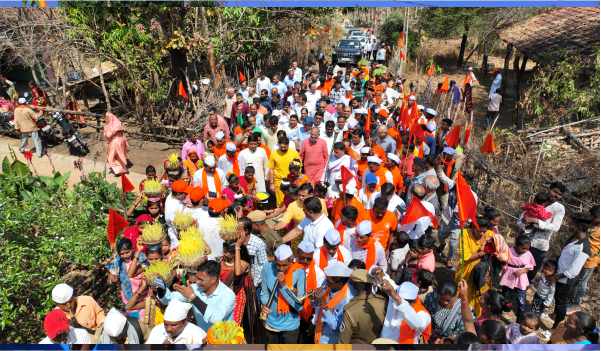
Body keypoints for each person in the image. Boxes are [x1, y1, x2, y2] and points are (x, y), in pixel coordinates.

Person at [158, 260, 236, 332]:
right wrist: (160, 287)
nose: (197, 282)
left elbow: (216, 319)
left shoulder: (228, 295)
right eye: (197, 278)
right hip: (202, 338)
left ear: (213, 279)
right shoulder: (195, 288)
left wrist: (193, 298)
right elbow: (168, 299)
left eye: (201, 279)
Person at [260, 244, 306, 344]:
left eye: (284, 265)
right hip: (271, 322)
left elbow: (299, 305)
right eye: (278, 265)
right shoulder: (267, 267)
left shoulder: (299, 272)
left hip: (290, 325)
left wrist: (283, 285)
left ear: (291, 260)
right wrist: (264, 305)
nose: (281, 268)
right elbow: (264, 292)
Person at [519, 181, 566, 278]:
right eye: (555, 191)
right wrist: (523, 223)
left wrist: (537, 221)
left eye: (559, 194)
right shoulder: (539, 198)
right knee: (516, 266)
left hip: (539, 245)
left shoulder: (559, 208)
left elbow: (555, 227)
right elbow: (522, 217)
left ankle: (521, 292)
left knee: (529, 273)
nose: (556, 195)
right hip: (523, 240)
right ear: (549, 189)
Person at [553, 222, 590, 328]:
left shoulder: (584, 248)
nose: (570, 227)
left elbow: (574, 269)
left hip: (566, 280)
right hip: (560, 275)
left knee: (561, 302)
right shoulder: (575, 240)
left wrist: (557, 276)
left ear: (580, 228)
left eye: (573, 226)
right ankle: (556, 316)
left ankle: (557, 325)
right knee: (558, 298)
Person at [339, 269, 387, 344]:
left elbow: (342, 342)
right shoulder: (383, 302)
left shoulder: (350, 310)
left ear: (356, 286)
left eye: (351, 284)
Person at [312, 261, 354, 344]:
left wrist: (323, 304)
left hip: (330, 341)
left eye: (329, 281)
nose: (326, 283)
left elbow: (336, 325)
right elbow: (316, 306)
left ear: (340, 282)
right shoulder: (329, 286)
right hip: (319, 333)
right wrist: (316, 300)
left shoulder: (348, 299)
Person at [499, 235, 535, 320]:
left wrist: (523, 271)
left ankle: (520, 317)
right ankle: (503, 310)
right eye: (523, 248)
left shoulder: (528, 254)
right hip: (509, 277)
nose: (525, 250)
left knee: (521, 299)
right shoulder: (509, 250)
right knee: (506, 295)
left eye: (527, 248)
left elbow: (530, 266)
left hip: (521, 279)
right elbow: (503, 261)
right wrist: (504, 265)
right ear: (516, 245)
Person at [574, 205, 599, 304]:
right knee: (577, 279)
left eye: (595, 217)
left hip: (590, 260)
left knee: (582, 282)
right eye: (592, 216)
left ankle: (576, 302)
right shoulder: (593, 225)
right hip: (582, 257)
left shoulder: (597, 230)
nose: (592, 219)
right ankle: (572, 298)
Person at [236, 217, 268, 289]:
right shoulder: (235, 241)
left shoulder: (258, 243)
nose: (235, 231)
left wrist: (255, 283)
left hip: (255, 283)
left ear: (246, 231)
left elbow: (263, 265)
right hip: (241, 282)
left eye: (238, 229)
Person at [268, 136, 300, 206]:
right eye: (281, 147)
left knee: (291, 201)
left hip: (291, 181)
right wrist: (271, 183)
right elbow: (271, 169)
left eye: (285, 147)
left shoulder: (294, 153)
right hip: (279, 181)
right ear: (278, 145)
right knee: (280, 202)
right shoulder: (274, 153)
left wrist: (297, 180)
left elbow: (299, 167)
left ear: (288, 145)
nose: (283, 148)